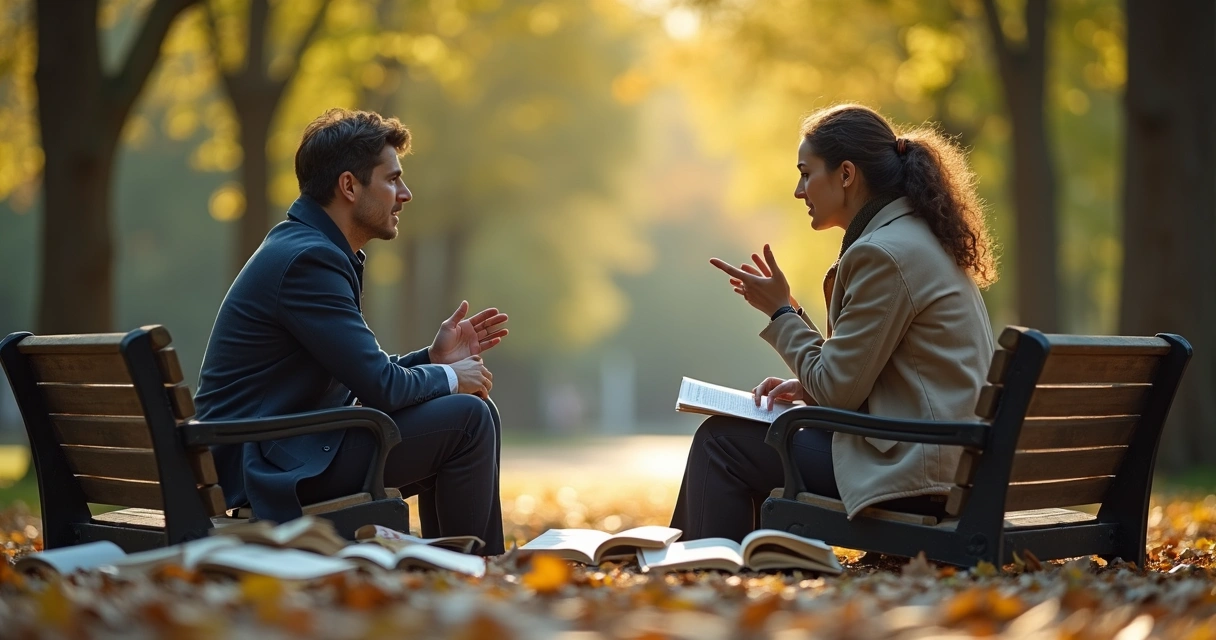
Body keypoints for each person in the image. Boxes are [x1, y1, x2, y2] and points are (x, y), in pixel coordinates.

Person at [671, 104, 998, 542]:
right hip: (948, 466)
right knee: (744, 438)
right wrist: (795, 331)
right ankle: (735, 564)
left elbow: (838, 390)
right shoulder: (917, 239)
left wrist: (780, 314)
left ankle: (706, 570)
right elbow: (859, 374)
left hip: (917, 475)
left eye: (806, 174)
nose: (798, 191)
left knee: (721, 443)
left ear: (846, 174)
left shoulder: (882, 254)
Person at [194, 108, 508, 554]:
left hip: (279, 449)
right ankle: (473, 568)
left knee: (475, 411)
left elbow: (364, 376)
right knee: (469, 418)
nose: (405, 194)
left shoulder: (305, 247)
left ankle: (458, 565)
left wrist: (433, 361)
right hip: (265, 468)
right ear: (349, 186)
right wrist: (451, 377)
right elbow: (380, 387)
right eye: (392, 179)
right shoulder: (309, 261)